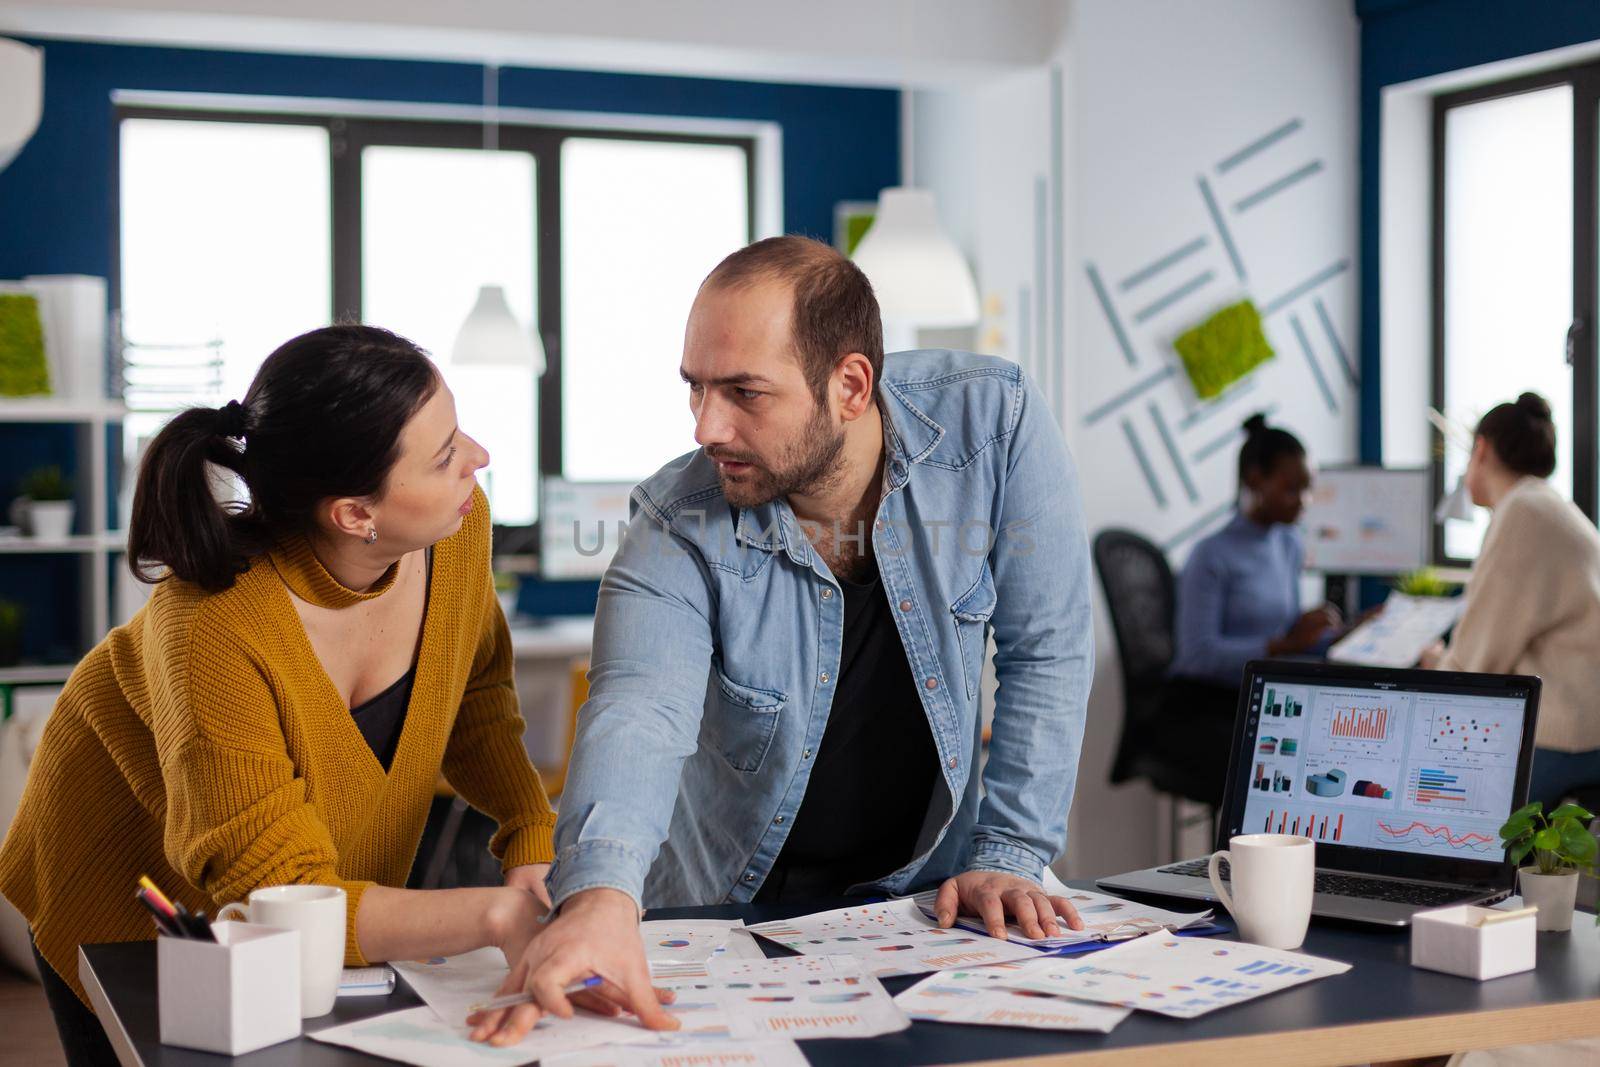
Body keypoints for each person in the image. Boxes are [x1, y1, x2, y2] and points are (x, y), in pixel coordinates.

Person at [469, 235, 1095, 1046]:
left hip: (926, 903)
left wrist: (1010, 848)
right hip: (733, 901)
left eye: (743, 392)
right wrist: (597, 899)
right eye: (695, 388)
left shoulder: (993, 422)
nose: (707, 426)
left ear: (850, 385)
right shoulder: (675, 516)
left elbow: (1045, 648)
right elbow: (638, 710)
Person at [0, 326, 558, 1066]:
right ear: (356, 513)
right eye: (446, 453)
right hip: (135, 897)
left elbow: (477, 694)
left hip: (308, 905)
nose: (479, 460)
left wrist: (527, 827)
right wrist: (495, 909)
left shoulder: (455, 527)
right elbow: (279, 894)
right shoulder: (211, 630)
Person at [1421, 393, 1600, 811]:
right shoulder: (1546, 503)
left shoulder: (1523, 511)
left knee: (1427, 785)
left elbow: (1475, 664)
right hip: (1585, 725)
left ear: (1480, 449)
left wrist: (1434, 662)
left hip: (1564, 739)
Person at [1171, 414, 1343, 685]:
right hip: (1215, 703)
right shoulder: (1210, 555)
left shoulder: (1289, 542)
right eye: (1291, 489)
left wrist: (1345, 634)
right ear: (1254, 480)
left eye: (1307, 489)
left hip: (1266, 690)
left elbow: (1286, 635)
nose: (1304, 501)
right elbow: (1197, 657)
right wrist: (1282, 646)